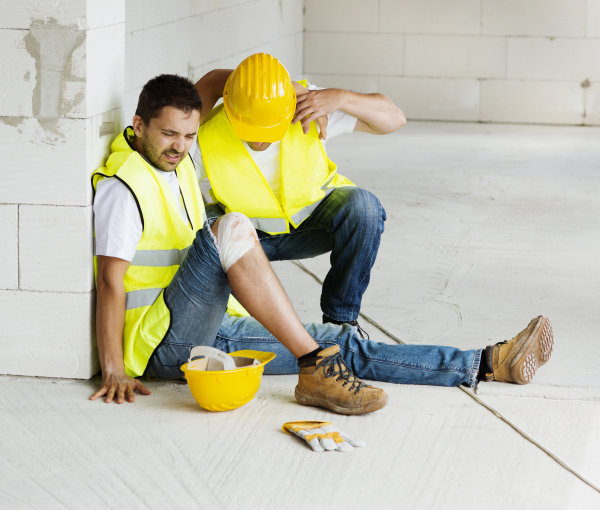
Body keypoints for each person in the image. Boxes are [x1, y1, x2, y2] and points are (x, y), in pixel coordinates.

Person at [90, 73, 553, 410]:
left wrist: (265, 84)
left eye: (188, 135)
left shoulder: (179, 163)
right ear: (140, 123)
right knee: (230, 225)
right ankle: (314, 362)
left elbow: (208, 86)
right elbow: (111, 282)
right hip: (161, 344)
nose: (180, 145)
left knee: (340, 346)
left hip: (210, 323)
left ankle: (487, 362)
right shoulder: (124, 187)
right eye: (169, 133)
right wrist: (114, 368)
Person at [194, 54, 406, 336]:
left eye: (268, 130)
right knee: (203, 227)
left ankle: (340, 324)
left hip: (312, 229)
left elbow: (394, 119)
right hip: (247, 243)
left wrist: (340, 98)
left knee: (364, 209)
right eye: (249, 129)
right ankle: (225, 324)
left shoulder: (307, 106)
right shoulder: (205, 136)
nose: (258, 140)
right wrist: (251, 85)